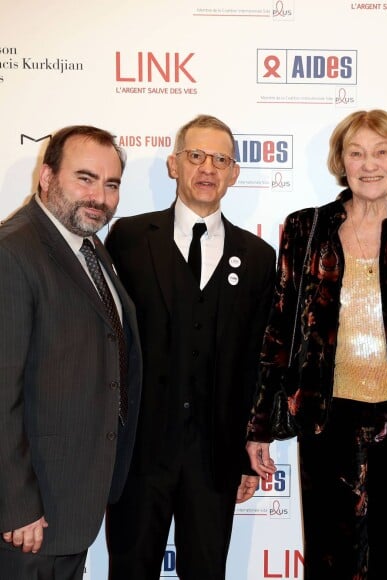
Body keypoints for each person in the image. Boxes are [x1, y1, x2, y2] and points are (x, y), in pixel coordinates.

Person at [247, 109, 387, 580]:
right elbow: (280, 329)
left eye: (381, 152)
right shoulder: (306, 228)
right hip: (327, 420)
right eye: (356, 152)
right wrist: (259, 423)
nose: (369, 164)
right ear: (341, 162)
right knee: (330, 557)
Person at [105, 114, 276, 580]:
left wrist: (247, 449)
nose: (208, 168)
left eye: (221, 159)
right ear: (173, 164)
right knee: (129, 570)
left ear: (235, 173)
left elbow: (257, 364)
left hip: (215, 459)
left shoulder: (259, 258)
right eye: (196, 155)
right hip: (139, 455)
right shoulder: (129, 239)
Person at [0, 125, 142, 580]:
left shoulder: (89, 245)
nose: (99, 196)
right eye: (85, 178)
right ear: (46, 177)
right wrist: (17, 506)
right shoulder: (13, 252)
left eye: (112, 184)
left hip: (72, 502)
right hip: (30, 517)